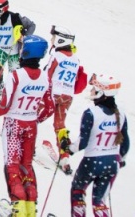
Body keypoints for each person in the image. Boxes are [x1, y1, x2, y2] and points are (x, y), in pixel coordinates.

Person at [0, 34, 54, 217]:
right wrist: (35, 118)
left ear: (26, 52)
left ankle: (18, 208)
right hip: (30, 125)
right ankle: (30, 209)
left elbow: (4, 106)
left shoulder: (16, 76)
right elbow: (49, 108)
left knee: (12, 165)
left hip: (13, 124)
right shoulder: (45, 78)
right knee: (27, 165)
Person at [70, 74, 129, 217]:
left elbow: (82, 142)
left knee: (78, 190)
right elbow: (125, 142)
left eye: (94, 89)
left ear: (101, 93)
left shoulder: (91, 113)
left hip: (92, 161)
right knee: (99, 200)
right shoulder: (121, 112)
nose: (92, 91)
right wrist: (121, 158)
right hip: (112, 162)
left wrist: (69, 149)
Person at [47, 26, 87, 171]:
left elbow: (48, 74)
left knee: (36, 115)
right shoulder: (76, 59)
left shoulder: (57, 56)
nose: (51, 40)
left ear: (59, 39)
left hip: (53, 92)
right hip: (67, 96)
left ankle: (27, 145)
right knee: (60, 124)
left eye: (53, 38)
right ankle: (64, 157)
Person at [0, 0, 36, 101]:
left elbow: (32, 25)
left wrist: (25, 36)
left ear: (0, 9)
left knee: (14, 74)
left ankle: (11, 93)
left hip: (14, 51)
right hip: (1, 48)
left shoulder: (15, 17)